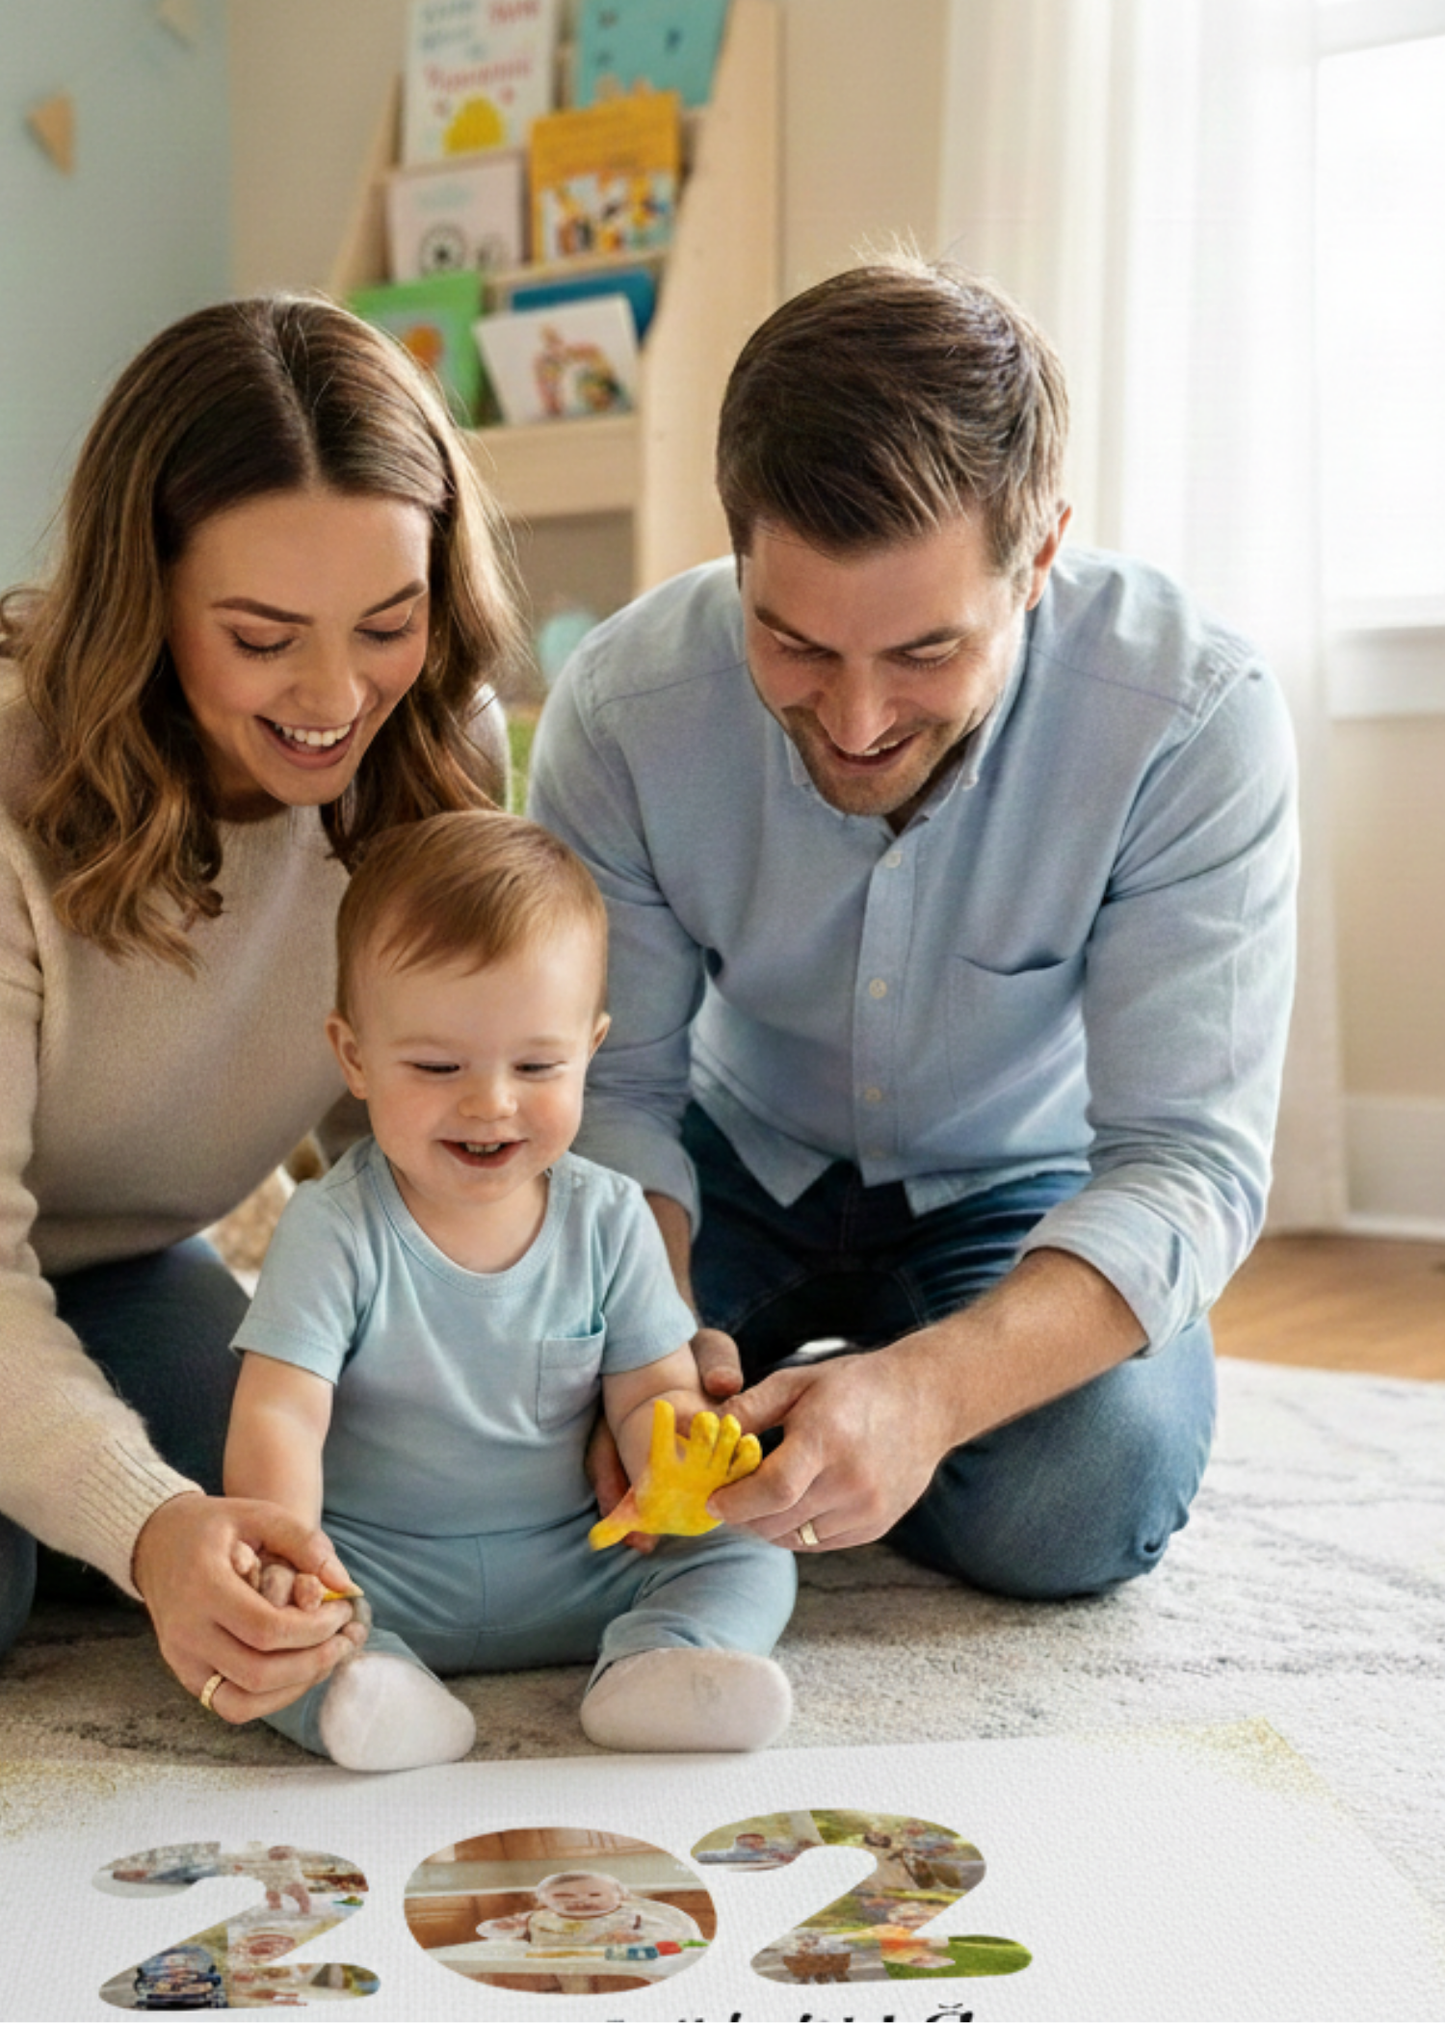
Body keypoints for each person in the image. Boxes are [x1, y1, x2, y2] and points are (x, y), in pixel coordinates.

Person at [528, 254, 1299, 1599]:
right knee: (506, 1429)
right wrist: (644, 1340)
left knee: (1078, 1495)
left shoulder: (1190, 716)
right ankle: (804, 1430)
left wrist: (937, 1392)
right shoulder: (623, 707)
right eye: (797, 646)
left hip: (1017, 1184)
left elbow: (1185, 1163)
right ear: (738, 548)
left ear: (1041, 551)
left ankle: (830, 1436)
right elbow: (620, 1091)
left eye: (925, 654)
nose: (857, 718)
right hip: (727, 1163)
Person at [0, 293, 519, 1718]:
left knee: (333, 1493)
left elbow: (421, 1125)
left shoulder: (428, 743)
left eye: (386, 622)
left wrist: (565, 1359)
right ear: (144, 592)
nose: (333, 693)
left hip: (124, 1265)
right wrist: (147, 1525)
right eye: (262, 634)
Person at [223, 811, 795, 1770]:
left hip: (581, 1557)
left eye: (536, 1066)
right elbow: (280, 1412)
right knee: (252, 1615)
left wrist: (672, 1457)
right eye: (437, 1066)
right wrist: (292, 1561)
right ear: (354, 1055)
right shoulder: (334, 1225)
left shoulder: (610, 1215)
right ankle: (369, 1691)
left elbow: (653, 1385)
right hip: (379, 1568)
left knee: (751, 1547)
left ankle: (659, 1664)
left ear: (592, 1047)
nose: (490, 1101)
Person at [476, 1869, 703, 1949]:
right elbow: (488, 1931)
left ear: (620, 1897)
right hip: (567, 1965)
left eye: (595, 1895)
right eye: (562, 1896)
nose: (580, 1901)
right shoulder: (537, 1918)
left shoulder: (629, 1916)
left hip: (621, 1966)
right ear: (544, 1900)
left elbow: (676, 1936)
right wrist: (504, 1926)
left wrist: (638, 1937)